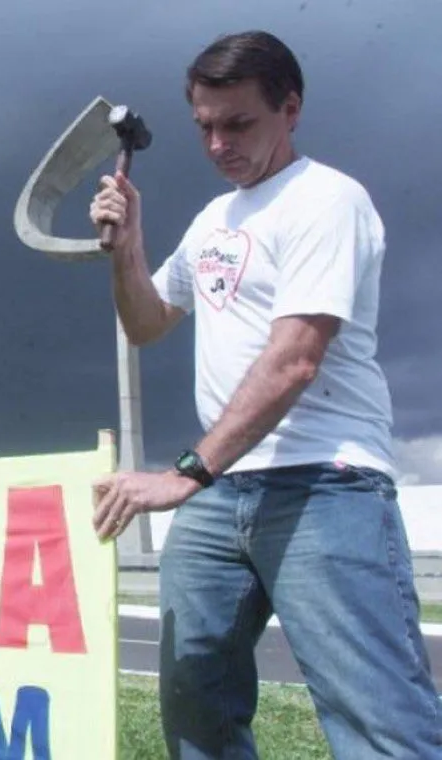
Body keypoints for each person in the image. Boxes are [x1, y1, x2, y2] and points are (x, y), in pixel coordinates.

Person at [87, 29, 441, 759]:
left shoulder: (325, 200)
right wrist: (127, 250)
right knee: (196, 713)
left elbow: (293, 361)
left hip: (324, 483)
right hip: (219, 497)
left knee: (378, 718)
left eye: (237, 123)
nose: (217, 144)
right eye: (203, 127)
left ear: (290, 108)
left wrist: (183, 474)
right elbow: (147, 322)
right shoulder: (214, 221)